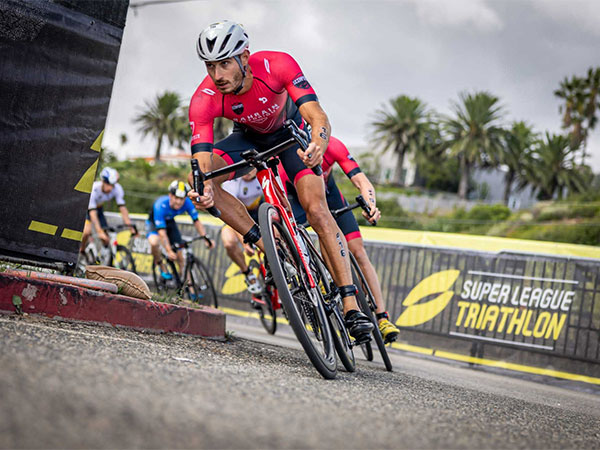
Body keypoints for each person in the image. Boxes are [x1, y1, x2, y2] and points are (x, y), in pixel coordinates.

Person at [188, 20, 373, 342]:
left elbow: (318, 117)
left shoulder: (277, 64)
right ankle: (269, 245)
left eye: (225, 63)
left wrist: (318, 144)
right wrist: (203, 186)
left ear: (244, 57)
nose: (218, 75)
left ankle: (350, 304)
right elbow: (202, 157)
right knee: (205, 183)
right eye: (210, 66)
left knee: (316, 210)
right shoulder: (204, 97)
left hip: (291, 133)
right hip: (247, 138)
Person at [282, 137, 400, 343]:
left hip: (331, 197)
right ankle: (316, 279)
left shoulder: (333, 145)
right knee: (304, 238)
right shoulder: (287, 150)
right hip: (299, 199)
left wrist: (370, 204)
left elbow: (361, 181)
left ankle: (382, 317)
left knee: (359, 251)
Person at [147, 180, 213, 287]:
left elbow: (196, 221)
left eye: (181, 199)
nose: (178, 202)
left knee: (180, 257)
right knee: (154, 243)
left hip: (170, 223)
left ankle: (187, 286)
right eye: (176, 198)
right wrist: (168, 250)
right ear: (170, 195)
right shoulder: (160, 205)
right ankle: (161, 265)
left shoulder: (187, 203)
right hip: (154, 224)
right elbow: (162, 233)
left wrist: (206, 238)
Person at [220, 168, 263, 297]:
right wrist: (245, 243)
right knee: (228, 242)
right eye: (245, 166)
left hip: (257, 214)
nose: (247, 170)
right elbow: (234, 216)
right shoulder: (231, 182)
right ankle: (247, 273)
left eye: (251, 167)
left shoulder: (262, 175)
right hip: (235, 217)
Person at [80, 167, 136, 258]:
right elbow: (93, 214)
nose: (110, 188)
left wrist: (129, 226)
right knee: (86, 232)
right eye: (108, 184)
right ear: (102, 181)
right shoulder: (94, 189)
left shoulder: (117, 189)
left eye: (112, 185)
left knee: (106, 238)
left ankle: (102, 259)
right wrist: (99, 231)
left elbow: (123, 209)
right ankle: (81, 251)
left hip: (99, 208)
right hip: (87, 208)